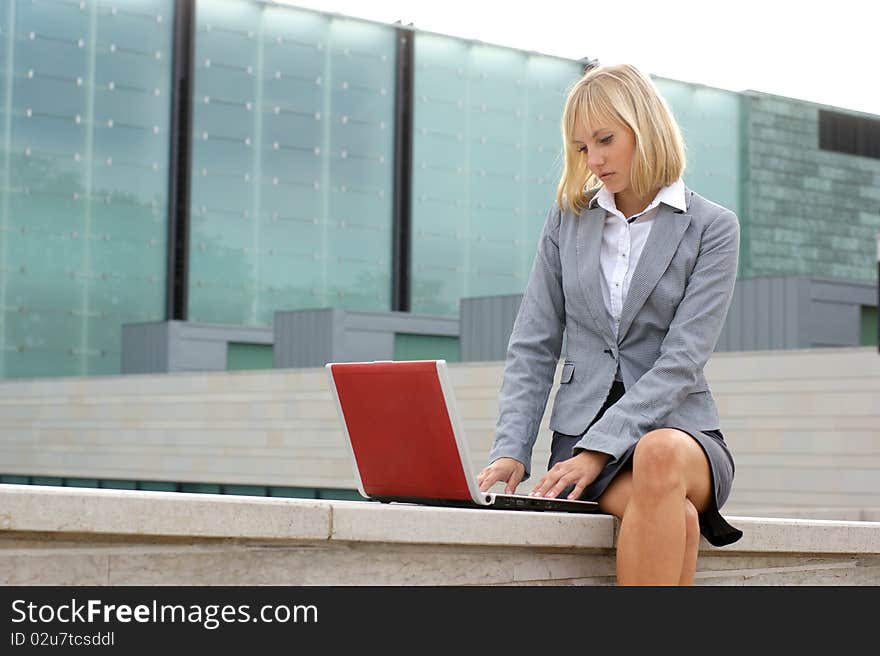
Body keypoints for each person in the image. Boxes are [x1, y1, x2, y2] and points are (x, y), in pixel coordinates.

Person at [477, 63, 743, 586]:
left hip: (681, 435)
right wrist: (511, 448)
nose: (594, 160)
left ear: (645, 129)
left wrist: (601, 449)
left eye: (605, 140)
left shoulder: (713, 228)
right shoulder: (566, 222)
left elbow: (682, 361)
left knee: (658, 454)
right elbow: (533, 345)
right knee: (676, 519)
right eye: (581, 148)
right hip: (578, 442)